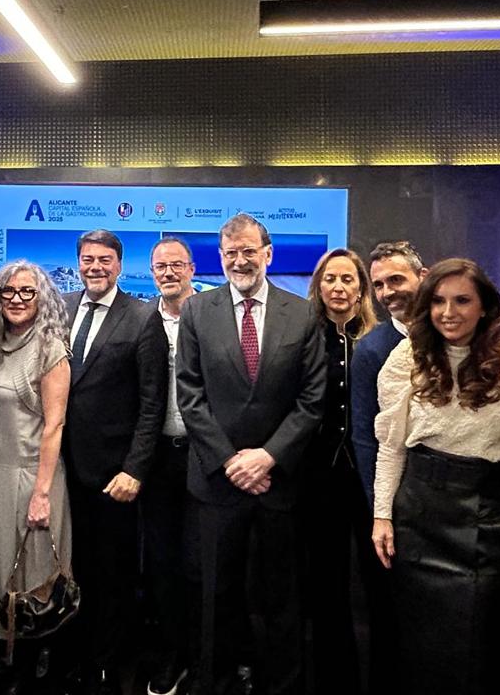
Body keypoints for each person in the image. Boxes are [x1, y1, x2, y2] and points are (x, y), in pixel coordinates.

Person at [371, 258, 500, 695]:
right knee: (419, 649)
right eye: (439, 301)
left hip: (488, 515)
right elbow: (390, 447)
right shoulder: (405, 357)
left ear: (485, 306)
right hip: (420, 514)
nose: (449, 312)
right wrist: (382, 517)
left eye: (462, 300)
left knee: (480, 649)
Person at [177, 214, 326, 695]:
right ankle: (217, 682)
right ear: (219, 258)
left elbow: (312, 399)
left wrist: (267, 457)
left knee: (281, 598)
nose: (238, 261)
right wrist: (230, 461)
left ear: (268, 254)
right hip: (218, 483)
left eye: (247, 251)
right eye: (229, 254)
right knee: (215, 598)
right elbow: (190, 395)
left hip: (279, 483)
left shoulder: (302, 313)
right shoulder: (197, 311)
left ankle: (280, 685)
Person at [62, 229, 168, 694]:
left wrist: (135, 469)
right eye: (88, 259)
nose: (95, 267)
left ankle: (105, 664)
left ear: (120, 266)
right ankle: (71, 656)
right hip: (61, 469)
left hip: (113, 475)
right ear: (78, 263)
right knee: (68, 568)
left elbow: (153, 403)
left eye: (105, 259)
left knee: (111, 575)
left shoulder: (142, 317)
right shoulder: (60, 308)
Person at [0, 261, 73, 686]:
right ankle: (0, 660)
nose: (17, 299)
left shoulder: (50, 351)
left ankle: (25, 671)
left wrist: (42, 493)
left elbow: (54, 426)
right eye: (8, 292)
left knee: (28, 576)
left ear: (42, 297)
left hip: (30, 479)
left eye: (27, 292)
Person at [299, 248, 377, 695]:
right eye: (330, 279)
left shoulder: (381, 339)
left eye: (348, 279)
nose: (339, 288)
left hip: (370, 477)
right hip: (319, 475)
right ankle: (333, 678)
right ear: (318, 286)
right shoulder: (305, 338)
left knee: (374, 577)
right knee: (325, 581)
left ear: (361, 287)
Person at [143, 236, 200, 695]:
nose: (168, 273)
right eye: (160, 266)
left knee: (204, 564)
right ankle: (169, 655)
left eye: (177, 265)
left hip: (207, 457)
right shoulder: (142, 320)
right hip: (156, 458)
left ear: (192, 268)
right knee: (161, 565)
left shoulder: (215, 315)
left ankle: (211, 657)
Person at [351, 241, 429, 505]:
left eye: (396, 280)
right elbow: (364, 434)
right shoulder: (369, 349)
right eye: (379, 285)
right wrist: (379, 506)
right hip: (401, 492)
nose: (387, 292)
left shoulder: (455, 334)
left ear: (423, 276)